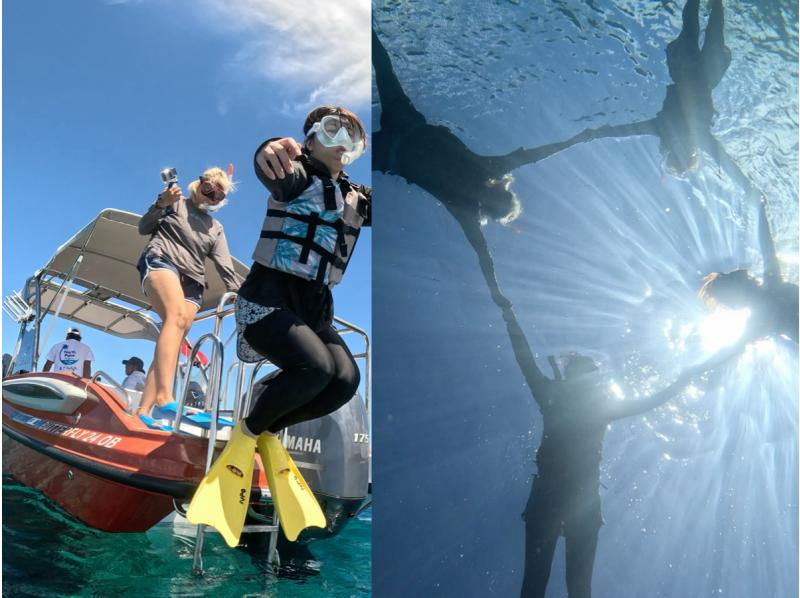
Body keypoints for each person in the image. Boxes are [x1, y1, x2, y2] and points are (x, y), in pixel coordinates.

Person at [186, 106, 371, 548]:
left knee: (345, 380)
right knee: (316, 369)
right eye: (332, 130)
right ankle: (247, 432)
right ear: (308, 140)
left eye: (354, 139)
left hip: (314, 307)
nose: (342, 142)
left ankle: (266, 428)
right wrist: (267, 146)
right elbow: (269, 166)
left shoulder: (357, 198)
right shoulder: (296, 175)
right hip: (266, 297)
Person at [553, 0, 750, 189]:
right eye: (687, 155)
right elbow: (728, 165)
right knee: (711, 31)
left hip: (689, 72)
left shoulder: (663, 129)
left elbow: (624, 130)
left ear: (672, 151)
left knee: (695, 28)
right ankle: (716, 3)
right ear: (692, 154)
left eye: (678, 154)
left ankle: (712, 3)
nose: (684, 148)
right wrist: (750, 189)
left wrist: (594, 134)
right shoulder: (697, 137)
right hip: (704, 77)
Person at [135, 166, 243, 418]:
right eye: (208, 190)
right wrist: (161, 203)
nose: (211, 197)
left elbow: (225, 266)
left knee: (174, 337)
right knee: (176, 316)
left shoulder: (215, 227)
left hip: (194, 283)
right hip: (162, 261)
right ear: (200, 183)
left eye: (218, 196)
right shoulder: (175, 203)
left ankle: (142, 412)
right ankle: (165, 397)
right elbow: (143, 227)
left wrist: (241, 295)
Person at [699, 194, 798, 344]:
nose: (739, 271)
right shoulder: (771, 285)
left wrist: (760, 211)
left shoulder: (757, 322)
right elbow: (766, 247)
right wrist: (760, 210)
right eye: (730, 276)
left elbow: (729, 352)